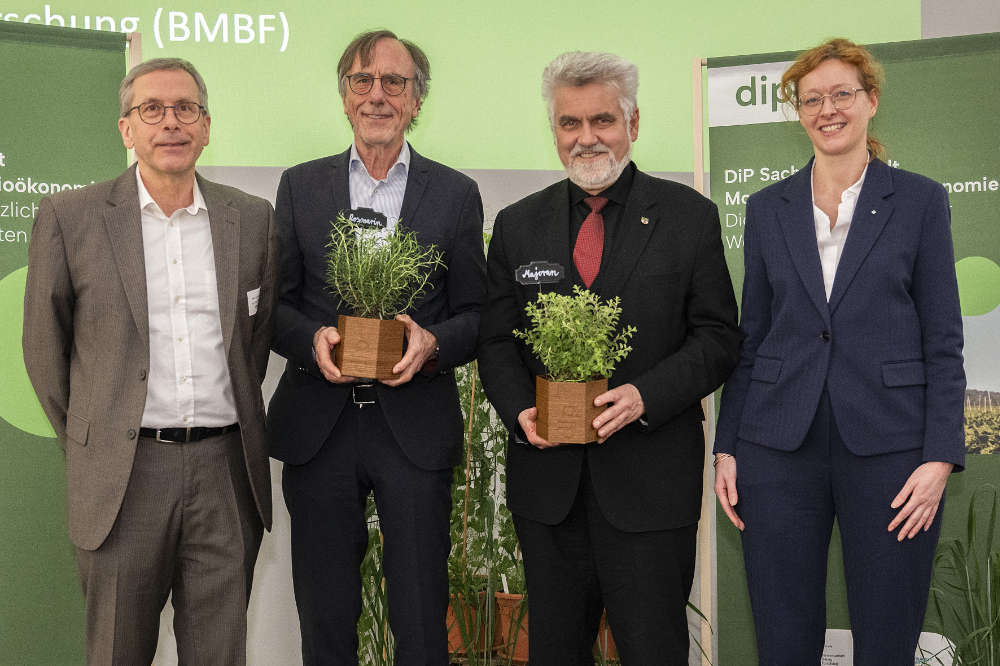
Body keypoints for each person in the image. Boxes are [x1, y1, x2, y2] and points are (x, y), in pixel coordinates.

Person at [477, 51, 742, 664]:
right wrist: (520, 410)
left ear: (633, 123)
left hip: (651, 488)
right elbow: (496, 341)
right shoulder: (518, 224)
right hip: (549, 493)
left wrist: (646, 395)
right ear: (554, 131)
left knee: (653, 650)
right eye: (570, 124)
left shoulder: (688, 217)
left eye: (602, 120)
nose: (586, 138)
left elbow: (717, 337)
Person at [714, 38, 966, 665]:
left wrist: (939, 457)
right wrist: (728, 443)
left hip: (891, 449)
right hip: (776, 447)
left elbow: (943, 343)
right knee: (782, 631)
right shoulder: (768, 208)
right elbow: (753, 339)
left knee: (887, 633)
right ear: (798, 112)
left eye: (842, 94)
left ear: (871, 101)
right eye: (812, 99)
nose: (828, 109)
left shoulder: (920, 201)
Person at [22, 58, 280, 666]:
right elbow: (44, 351)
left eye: (185, 108)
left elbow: (255, 340)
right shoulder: (71, 218)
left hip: (225, 476)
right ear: (125, 129)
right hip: (123, 479)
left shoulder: (253, 219)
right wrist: (96, 438)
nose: (171, 122)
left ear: (208, 126)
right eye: (152, 110)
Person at [266, 29, 486, 666]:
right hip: (319, 426)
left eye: (396, 82)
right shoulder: (302, 187)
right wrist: (312, 340)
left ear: (418, 100)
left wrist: (433, 343)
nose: (378, 95)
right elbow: (274, 308)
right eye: (363, 81)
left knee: (420, 614)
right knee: (325, 611)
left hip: (413, 426)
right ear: (344, 97)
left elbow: (478, 313)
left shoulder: (455, 194)